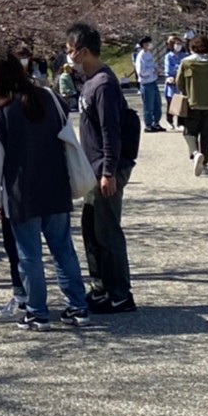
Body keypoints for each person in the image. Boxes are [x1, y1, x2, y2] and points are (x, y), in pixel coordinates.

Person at [0, 53, 91, 330]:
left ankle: (37, 312)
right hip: (55, 184)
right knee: (63, 249)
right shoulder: (49, 98)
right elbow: (67, 135)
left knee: (28, 255)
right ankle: (78, 306)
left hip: (21, 192)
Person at [65, 22, 139, 315]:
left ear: (83, 51)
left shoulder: (104, 84)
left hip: (105, 169)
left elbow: (112, 132)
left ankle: (120, 293)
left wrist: (109, 171)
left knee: (107, 232)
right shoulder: (91, 81)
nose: (68, 55)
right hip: (92, 168)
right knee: (91, 230)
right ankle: (101, 287)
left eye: (70, 50)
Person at [177, 35, 208, 177]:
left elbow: (179, 82)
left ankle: (195, 152)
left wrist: (187, 90)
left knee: (189, 132)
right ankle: (205, 166)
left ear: (192, 47)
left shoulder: (185, 63)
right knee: (206, 136)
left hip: (192, 103)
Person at [134, 36, 163, 133]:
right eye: (147, 43)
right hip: (146, 83)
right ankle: (148, 125)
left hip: (153, 81)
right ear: (143, 45)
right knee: (148, 105)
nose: (150, 45)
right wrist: (152, 70)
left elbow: (153, 64)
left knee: (157, 104)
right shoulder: (140, 56)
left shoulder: (149, 54)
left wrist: (157, 68)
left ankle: (156, 123)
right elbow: (141, 71)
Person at [163, 36, 186, 129]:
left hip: (182, 81)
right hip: (172, 82)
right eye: (176, 44)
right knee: (171, 102)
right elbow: (168, 69)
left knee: (182, 102)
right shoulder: (168, 56)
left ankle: (181, 122)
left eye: (180, 44)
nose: (178, 46)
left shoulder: (184, 55)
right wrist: (179, 67)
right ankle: (170, 120)